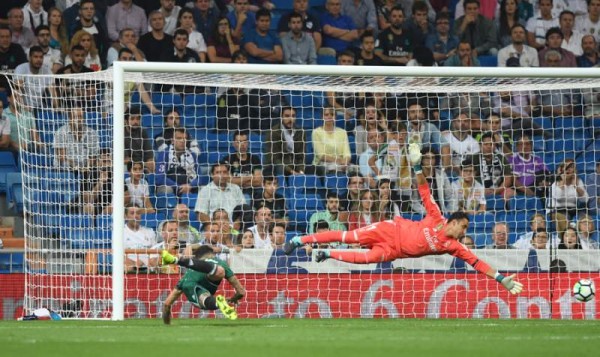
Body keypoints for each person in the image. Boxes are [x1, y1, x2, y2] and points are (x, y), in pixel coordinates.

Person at [283, 143, 524, 296]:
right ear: (452, 222)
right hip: (390, 230)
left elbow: (478, 263)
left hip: (393, 251)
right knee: (350, 236)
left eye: (464, 230)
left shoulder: (453, 246)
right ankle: (298, 239)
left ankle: (326, 253)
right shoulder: (436, 216)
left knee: (366, 259)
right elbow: (423, 191)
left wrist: (501, 279)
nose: (463, 232)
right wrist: (417, 167)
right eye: (462, 226)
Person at [161, 245, 246, 323]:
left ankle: (217, 302)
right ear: (212, 253)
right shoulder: (221, 263)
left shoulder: (188, 273)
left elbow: (167, 304)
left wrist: (167, 323)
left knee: (204, 297)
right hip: (215, 274)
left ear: (198, 258)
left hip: (190, 283)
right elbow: (241, 291)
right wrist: (234, 298)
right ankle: (216, 301)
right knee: (219, 272)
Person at [155, 127, 201, 195]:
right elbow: (160, 178)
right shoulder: (164, 154)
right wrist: (177, 186)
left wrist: (190, 185)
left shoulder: (192, 155)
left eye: (185, 138)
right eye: (179, 138)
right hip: (171, 186)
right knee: (166, 189)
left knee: (204, 189)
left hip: (189, 186)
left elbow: (200, 177)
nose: (182, 141)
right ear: (172, 140)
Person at [264, 106, 308, 176]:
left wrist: (301, 171)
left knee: (318, 169)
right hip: (278, 167)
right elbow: (274, 159)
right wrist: (291, 171)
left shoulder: (301, 132)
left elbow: (301, 156)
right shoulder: (273, 133)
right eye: (287, 116)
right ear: (281, 117)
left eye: (293, 116)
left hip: (295, 167)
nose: (290, 119)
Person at [548, 159, 588, 235]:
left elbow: (585, 200)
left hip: (573, 210)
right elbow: (558, 198)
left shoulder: (578, 181)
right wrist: (563, 179)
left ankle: (582, 241)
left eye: (571, 167)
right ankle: (564, 239)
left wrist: (576, 186)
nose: (568, 169)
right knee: (564, 217)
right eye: (566, 166)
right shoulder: (555, 182)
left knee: (584, 219)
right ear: (561, 169)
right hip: (556, 211)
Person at [221, 130, 263, 196]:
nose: (243, 144)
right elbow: (228, 181)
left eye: (245, 141)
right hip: (232, 193)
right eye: (239, 142)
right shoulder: (227, 159)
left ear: (248, 143)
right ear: (234, 144)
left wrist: (237, 181)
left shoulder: (255, 158)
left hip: (253, 194)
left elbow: (258, 181)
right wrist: (250, 177)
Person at [313, 106, 352, 175]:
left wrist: (345, 162)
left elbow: (347, 153)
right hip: (323, 164)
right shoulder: (316, 132)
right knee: (334, 168)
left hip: (341, 163)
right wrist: (339, 161)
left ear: (335, 117)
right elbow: (321, 156)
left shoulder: (342, 132)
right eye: (326, 114)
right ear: (322, 117)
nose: (329, 116)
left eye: (332, 114)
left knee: (354, 169)